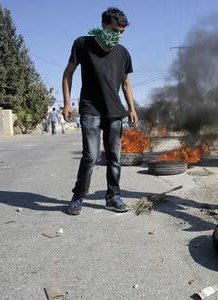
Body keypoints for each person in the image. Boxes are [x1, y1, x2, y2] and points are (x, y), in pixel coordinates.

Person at [62, 7, 138, 215]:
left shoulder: (123, 53)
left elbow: (126, 84)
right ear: (104, 25)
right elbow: (67, 74)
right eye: (115, 30)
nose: (118, 35)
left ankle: (113, 197)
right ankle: (78, 196)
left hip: (114, 111)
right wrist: (67, 103)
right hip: (90, 109)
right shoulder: (82, 44)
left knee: (115, 157)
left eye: (122, 32)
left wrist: (132, 108)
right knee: (91, 156)